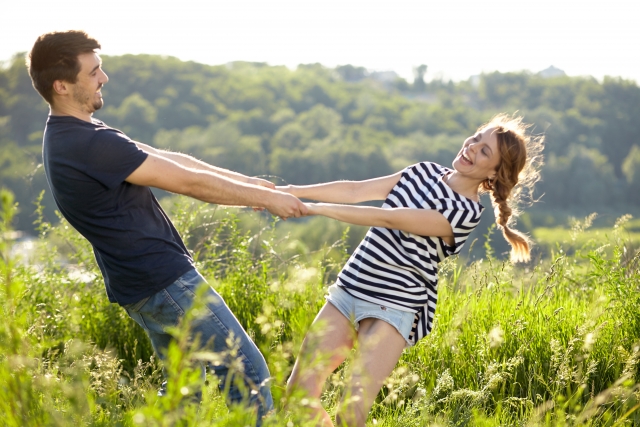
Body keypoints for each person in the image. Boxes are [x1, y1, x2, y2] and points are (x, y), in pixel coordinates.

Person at [27, 30, 307, 423]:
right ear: (61, 85)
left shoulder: (73, 134)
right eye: (93, 73)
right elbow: (187, 183)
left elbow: (165, 159)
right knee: (249, 375)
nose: (103, 78)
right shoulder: (88, 144)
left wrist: (250, 185)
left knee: (182, 390)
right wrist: (266, 200)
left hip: (141, 286)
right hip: (164, 281)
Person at [280, 114, 544, 426]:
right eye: (476, 138)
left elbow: (390, 218)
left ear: (494, 173)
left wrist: (314, 209)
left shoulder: (465, 212)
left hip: (393, 307)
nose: (472, 147)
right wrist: (292, 191)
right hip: (350, 289)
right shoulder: (423, 171)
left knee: (350, 414)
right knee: (297, 394)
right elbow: (353, 190)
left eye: (485, 151)